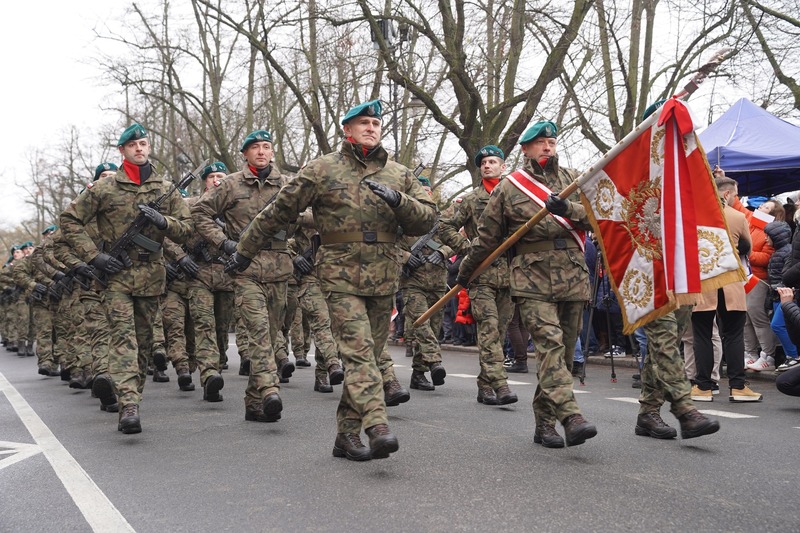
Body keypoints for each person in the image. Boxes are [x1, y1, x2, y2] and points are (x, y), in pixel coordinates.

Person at [229, 99, 437, 460]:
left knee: (368, 357)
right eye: (363, 123)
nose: (371, 128)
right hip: (339, 276)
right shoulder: (323, 169)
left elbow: (427, 219)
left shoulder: (398, 174)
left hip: (384, 277)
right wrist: (244, 252)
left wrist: (399, 201)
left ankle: (345, 435)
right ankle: (377, 424)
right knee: (358, 356)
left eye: (376, 122)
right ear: (347, 129)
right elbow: (277, 211)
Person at [457, 120, 597, 448]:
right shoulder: (511, 187)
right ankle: (570, 414)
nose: (548, 146)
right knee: (549, 345)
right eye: (540, 142)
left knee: (561, 356)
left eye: (552, 141)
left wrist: (570, 208)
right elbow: (487, 238)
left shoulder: (573, 179)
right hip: (531, 277)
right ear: (525, 149)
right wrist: (467, 269)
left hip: (573, 276)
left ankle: (544, 421)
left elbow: (598, 218)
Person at [60, 123, 193, 433]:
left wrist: (164, 222)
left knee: (145, 345)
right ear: (122, 150)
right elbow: (70, 220)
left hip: (151, 276)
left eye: (144, 143)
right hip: (116, 276)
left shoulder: (164, 188)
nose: (139, 148)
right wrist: (94, 256)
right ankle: (129, 405)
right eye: (133, 144)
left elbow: (187, 230)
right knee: (123, 340)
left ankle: (134, 396)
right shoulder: (105, 189)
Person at [193, 131, 295, 422]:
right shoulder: (231, 184)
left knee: (273, 334)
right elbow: (200, 212)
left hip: (278, 268)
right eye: (255, 148)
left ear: (273, 152)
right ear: (245, 154)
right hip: (246, 268)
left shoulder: (287, 186)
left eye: (266, 147)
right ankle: (269, 390)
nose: (261, 152)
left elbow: (305, 215)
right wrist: (223, 242)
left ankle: (254, 404)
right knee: (259, 332)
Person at [441, 145, 518, 404]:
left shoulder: (515, 196)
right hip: (481, 274)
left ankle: (485, 385)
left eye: (492, 161)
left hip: (509, 274)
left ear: (503, 166)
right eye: (483, 162)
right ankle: (500, 383)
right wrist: (468, 248)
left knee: (500, 331)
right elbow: (445, 226)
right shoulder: (471, 201)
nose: (487, 165)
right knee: (488, 327)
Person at [690, 175, 761, 403]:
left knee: (701, 335)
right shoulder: (738, 216)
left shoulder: (691, 217)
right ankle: (738, 387)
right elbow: (747, 250)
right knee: (733, 335)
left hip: (703, 283)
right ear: (725, 194)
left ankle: (703, 387)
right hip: (730, 282)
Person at [399, 175, 452, 392]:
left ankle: (419, 374)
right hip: (412, 282)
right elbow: (388, 244)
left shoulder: (441, 220)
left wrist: (443, 251)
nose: (424, 195)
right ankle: (435, 361)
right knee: (421, 323)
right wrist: (404, 256)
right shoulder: (402, 221)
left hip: (438, 281)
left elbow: (456, 241)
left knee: (434, 326)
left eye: (427, 191)